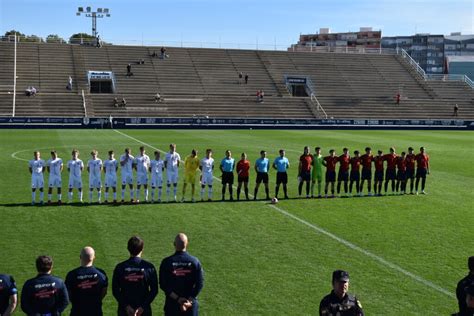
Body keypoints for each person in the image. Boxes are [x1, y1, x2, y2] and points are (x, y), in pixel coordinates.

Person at [112, 236, 158, 316]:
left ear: (128, 248)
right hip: (144, 312)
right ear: (142, 249)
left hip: (124, 312)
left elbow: (115, 290)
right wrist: (142, 307)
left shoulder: (120, 268)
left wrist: (126, 307)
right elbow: (154, 290)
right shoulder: (149, 267)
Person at [159, 233, 204, 316]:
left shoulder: (166, 262)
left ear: (174, 244)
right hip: (190, 306)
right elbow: (200, 284)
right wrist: (189, 300)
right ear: (187, 244)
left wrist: (178, 299)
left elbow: (163, 285)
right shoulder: (195, 262)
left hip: (172, 306)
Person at [65, 247, 108, 316]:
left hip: (77, 311)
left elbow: (68, 294)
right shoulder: (101, 274)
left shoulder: (71, 275)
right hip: (95, 311)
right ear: (94, 257)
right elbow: (104, 292)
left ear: (80, 257)